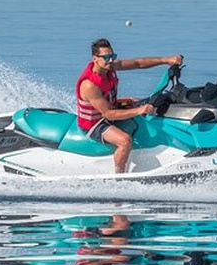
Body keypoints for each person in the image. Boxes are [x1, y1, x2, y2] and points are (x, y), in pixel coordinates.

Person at [76, 38, 183, 174]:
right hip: (95, 124)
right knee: (125, 141)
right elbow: (108, 114)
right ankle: (119, 177)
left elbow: (137, 63)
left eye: (112, 56)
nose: (110, 60)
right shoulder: (89, 85)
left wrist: (165, 60)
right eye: (106, 57)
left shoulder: (110, 67)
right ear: (95, 59)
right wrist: (138, 110)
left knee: (145, 114)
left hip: (109, 110)